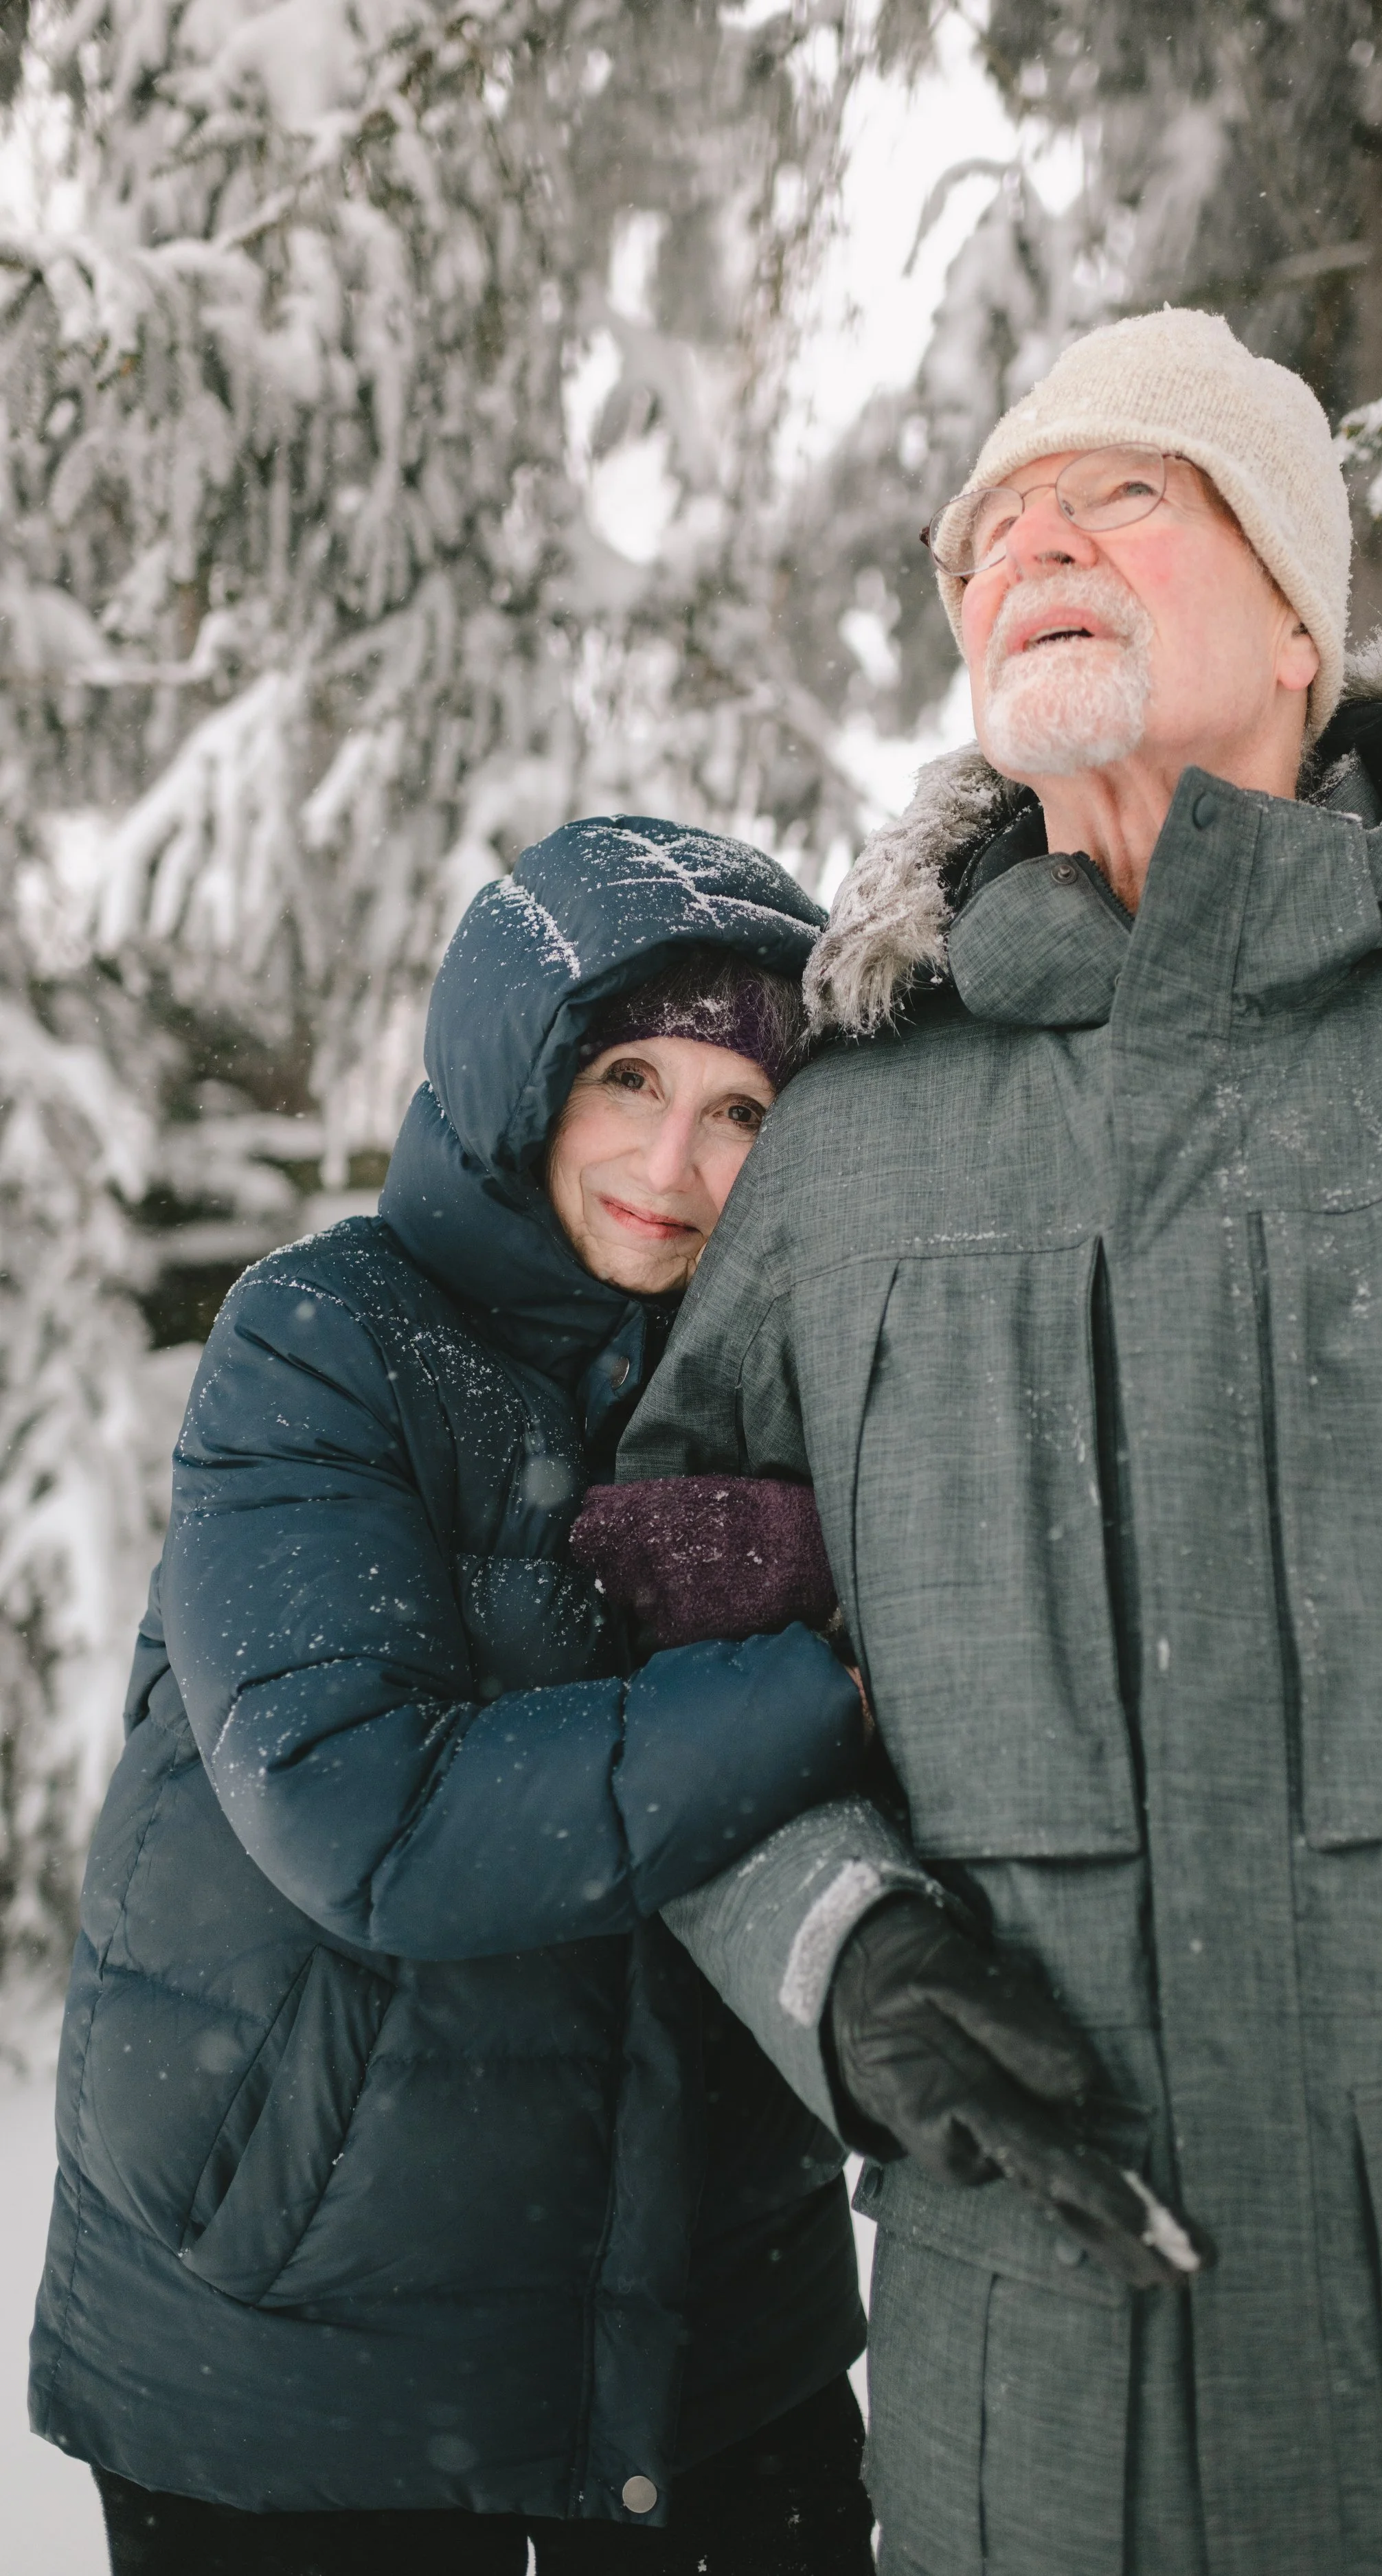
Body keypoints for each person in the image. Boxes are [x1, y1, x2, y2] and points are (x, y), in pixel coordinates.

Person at [622, 306, 1382, 2575]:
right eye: (990, 533)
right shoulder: (844, 1161)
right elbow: (655, 1620)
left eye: (1121, 492)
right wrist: (839, 1950)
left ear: (1307, 606)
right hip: (1048, 2410)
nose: (1034, 543)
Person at [30, 816, 879, 2576]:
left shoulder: (803, 1385)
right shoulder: (324, 1340)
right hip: (302, 2333)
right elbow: (368, 1809)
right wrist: (827, 1690)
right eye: (627, 1076)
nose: (672, 1157)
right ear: (517, 1074)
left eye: (743, 1108)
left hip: (706, 2327)